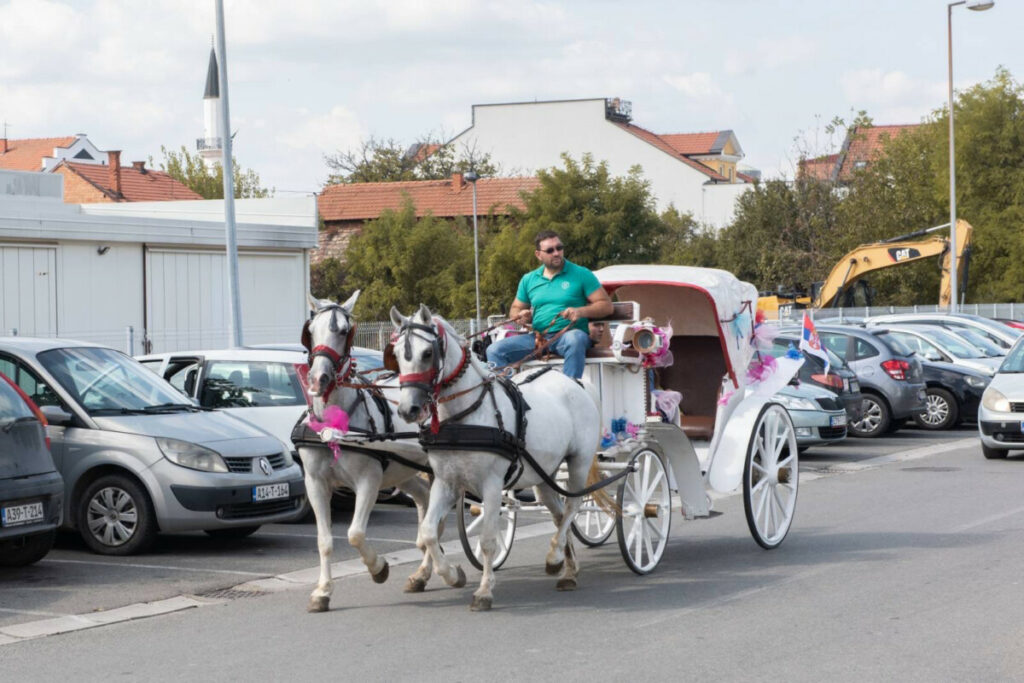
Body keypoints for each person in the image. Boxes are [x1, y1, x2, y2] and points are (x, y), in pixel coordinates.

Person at [486, 230, 612, 378]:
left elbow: (606, 305)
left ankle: (570, 389)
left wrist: (580, 312)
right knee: (493, 351)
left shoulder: (581, 274)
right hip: (538, 338)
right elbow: (515, 308)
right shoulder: (529, 279)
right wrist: (520, 315)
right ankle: (511, 396)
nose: (557, 253)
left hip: (569, 335)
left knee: (575, 339)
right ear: (538, 255)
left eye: (559, 248)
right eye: (550, 250)